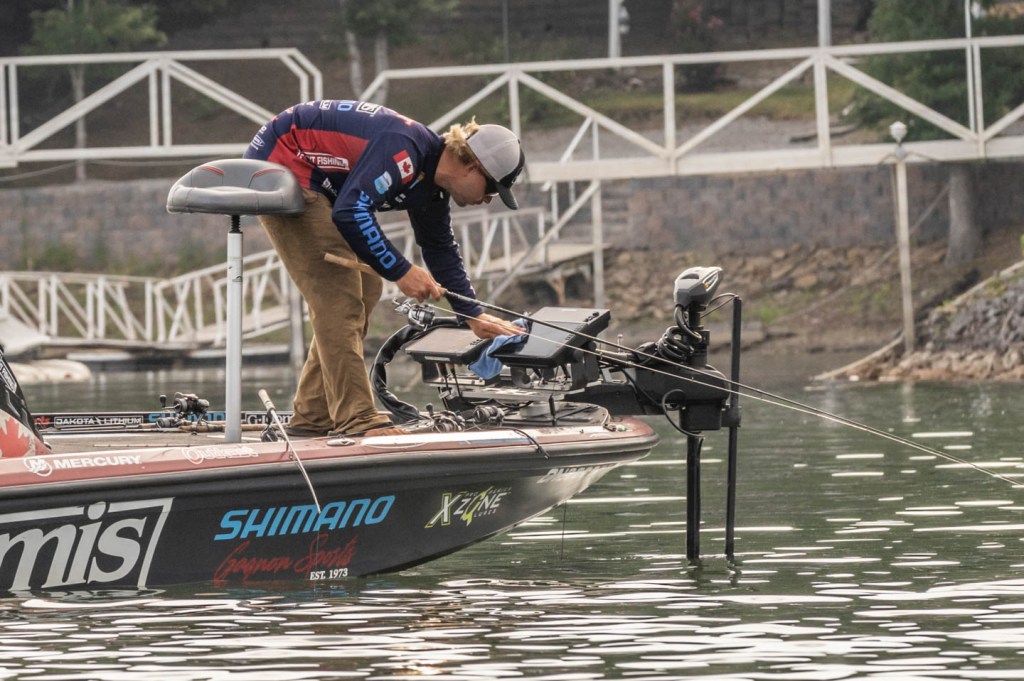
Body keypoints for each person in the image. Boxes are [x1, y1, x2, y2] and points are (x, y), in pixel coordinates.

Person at [243, 99, 527, 437]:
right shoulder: (404, 152)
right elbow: (351, 212)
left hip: (318, 177)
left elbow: (439, 249)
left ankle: (313, 416)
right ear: (472, 166)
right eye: (493, 188)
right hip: (284, 163)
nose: (489, 199)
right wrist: (402, 270)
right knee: (340, 298)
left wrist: (473, 315)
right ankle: (357, 419)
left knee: (367, 287)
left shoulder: (432, 184)